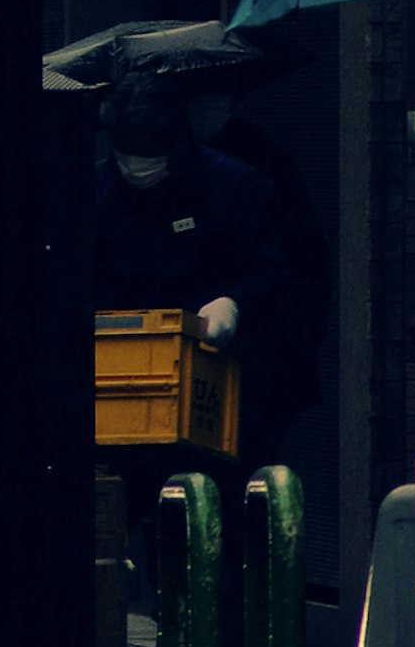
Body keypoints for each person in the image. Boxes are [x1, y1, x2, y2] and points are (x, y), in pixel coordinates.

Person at [92, 72, 325, 433]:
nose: (138, 168)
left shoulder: (237, 188)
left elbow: (281, 270)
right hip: (122, 373)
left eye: (148, 156)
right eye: (127, 155)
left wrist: (234, 304)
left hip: (226, 373)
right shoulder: (94, 193)